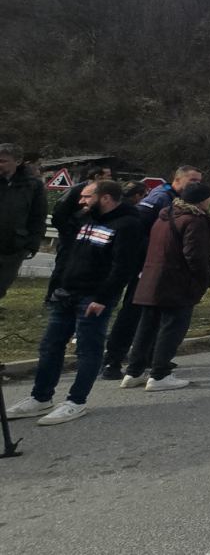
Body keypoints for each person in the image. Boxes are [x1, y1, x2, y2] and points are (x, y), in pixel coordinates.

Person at [6, 180, 142, 425]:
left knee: (87, 351)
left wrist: (103, 298)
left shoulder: (128, 225)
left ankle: (76, 401)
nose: (82, 201)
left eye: (87, 196)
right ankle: (41, 397)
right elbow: (62, 221)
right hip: (66, 293)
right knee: (50, 347)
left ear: (106, 198)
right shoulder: (85, 218)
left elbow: (123, 267)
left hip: (93, 297)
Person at [102, 165, 201, 379]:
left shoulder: (179, 201)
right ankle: (113, 360)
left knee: (153, 315)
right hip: (144, 265)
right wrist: (148, 255)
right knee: (133, 312)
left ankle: (149, 357)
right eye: (192, 180)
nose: (196, 184)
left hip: (160, 267)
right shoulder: (159, 198)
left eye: (199, 181)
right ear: (177, 179)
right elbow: (137, 229)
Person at [120, 182, 210, 391]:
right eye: (209, 198)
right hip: (177, 281)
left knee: (147, 327)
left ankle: (133, 371)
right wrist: (203, 278)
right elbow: (195, 255)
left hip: (152, 277)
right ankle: (160, 374)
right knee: (172, 328)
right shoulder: (194, 221)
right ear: (201, 200)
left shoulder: (164, 216)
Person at [0, 143, 47, 305]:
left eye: (3, 161)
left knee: (3, 282)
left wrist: (32, 243)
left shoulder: (32, 186)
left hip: (14, 244)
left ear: (18, 161)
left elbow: (38, 216)